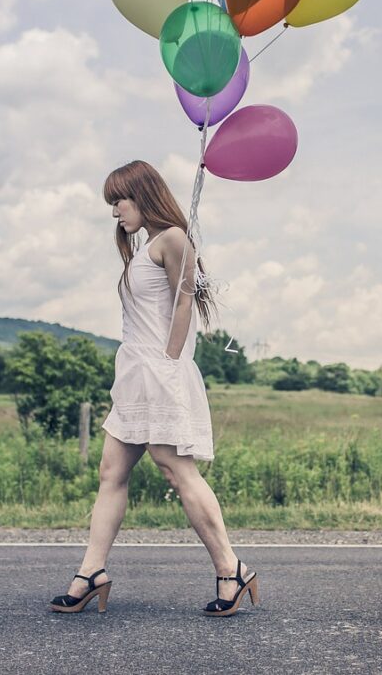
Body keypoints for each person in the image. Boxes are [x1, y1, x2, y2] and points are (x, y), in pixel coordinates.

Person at [50, 160, 259, 617]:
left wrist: (168, 364)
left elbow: (183, 304)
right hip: (133, 377)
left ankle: (231, 568)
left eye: (118, 201)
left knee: (175, 469)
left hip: (160, 373)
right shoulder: (144, 248)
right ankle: (91, 572)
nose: (114, 212)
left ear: (143, 194)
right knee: (111, 472)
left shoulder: (173, 240)